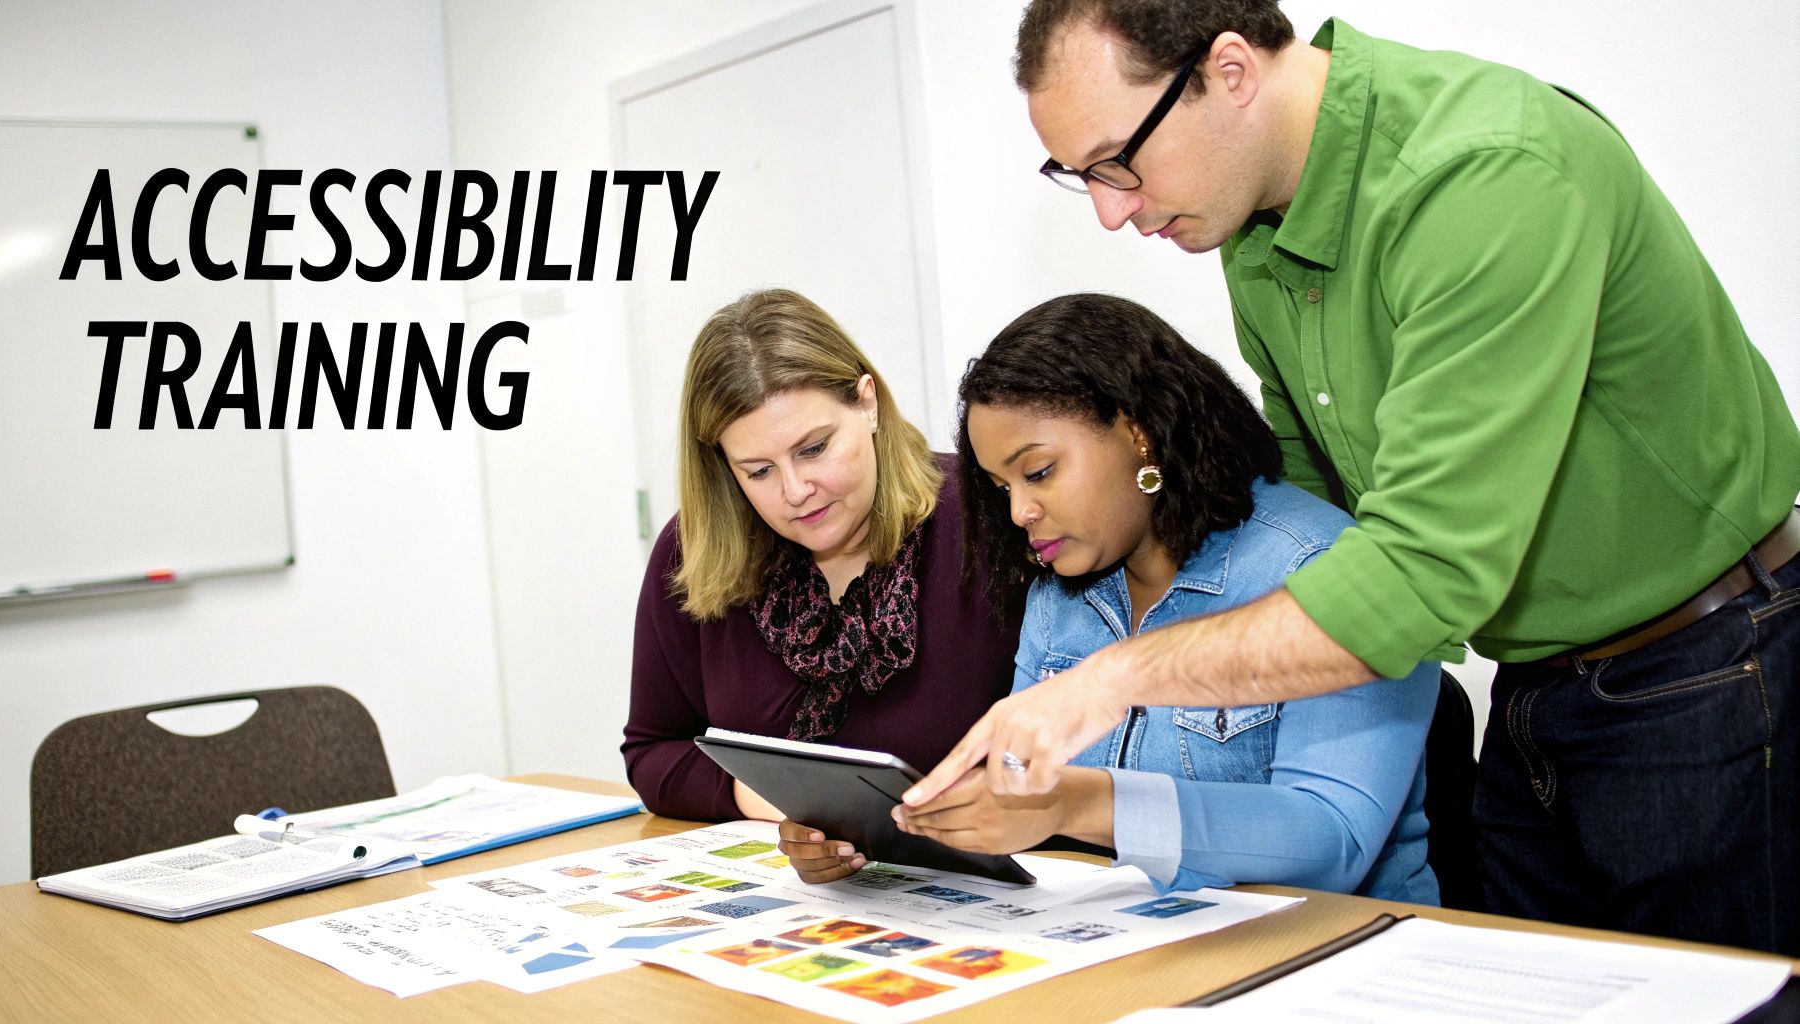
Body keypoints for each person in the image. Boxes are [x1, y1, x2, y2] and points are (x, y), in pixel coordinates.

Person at [906, 0, 1800, 954]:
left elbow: (1416, 572)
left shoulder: (1482, 174)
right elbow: (1308, 498)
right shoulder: (1249, 227)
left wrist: (1114, 680)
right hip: (1537, 685)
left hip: (1700, 664)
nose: (1112, 208)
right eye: (1079, 176)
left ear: (1232, 70)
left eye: (1119, 160)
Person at [792, 293, 1439, 904]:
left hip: (1333, 955)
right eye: (1000, 485)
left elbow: (1331, 841)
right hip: (1134, 945)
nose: (1019, 511)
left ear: (1139, 434)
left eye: (1039, 471)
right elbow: (1019, 787)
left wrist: (1081, 803)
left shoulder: (1321, 565)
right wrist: (883, 838)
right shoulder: (1060, 590)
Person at [621, 289, 1018, 823]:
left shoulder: (991, 516)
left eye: (814, 449)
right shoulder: (694, 550)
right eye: (758, 470)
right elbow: (653, 751)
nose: (795, 490)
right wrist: (795, 805)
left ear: (867, 403)